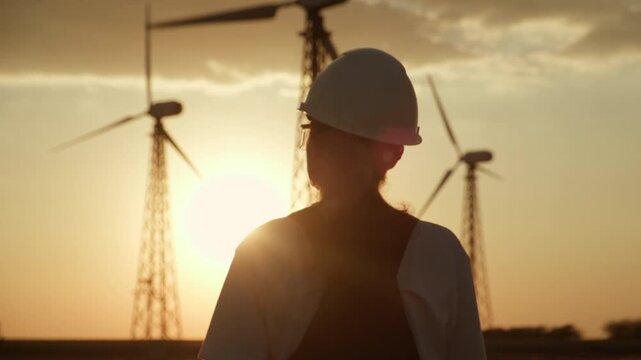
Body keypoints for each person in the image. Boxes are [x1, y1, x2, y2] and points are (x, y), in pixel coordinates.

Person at [198, 48, 486, 360]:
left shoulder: (266, 251)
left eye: (331, 135)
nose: (317, 147)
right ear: (394, 153)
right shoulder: (440, 253)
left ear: (391, 155)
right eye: (317, 131)